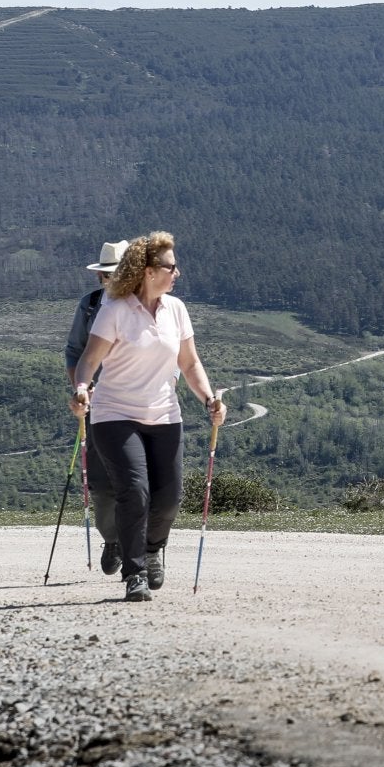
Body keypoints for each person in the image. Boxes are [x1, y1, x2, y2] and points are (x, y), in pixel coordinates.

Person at [69, 232, 227, 602]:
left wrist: (208, 399)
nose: (177, 272)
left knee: (169, 498)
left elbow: (189, 363)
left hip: (164, 415)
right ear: (148, 271)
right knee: (135, 491)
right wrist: (80, 388)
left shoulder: (176, 309)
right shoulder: (115, 309)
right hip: (114, 415)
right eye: (171, 267)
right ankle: (134, 573)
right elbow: (88, 360)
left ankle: (154, 549)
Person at [64, 240, 129, 575]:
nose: (111, 280)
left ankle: (142, 549)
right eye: (106, 275)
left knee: (139, 480)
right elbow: (74, 351)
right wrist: (80, 387)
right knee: (102, 484)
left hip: (138, 406)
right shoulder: (89, 306)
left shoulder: (148, 308)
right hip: (97, 405)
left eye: (117, 273)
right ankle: (113, 539)